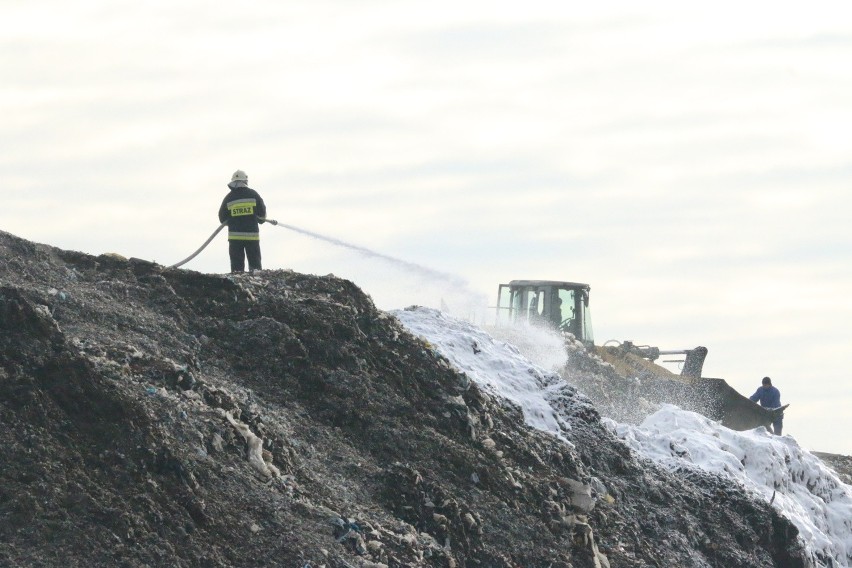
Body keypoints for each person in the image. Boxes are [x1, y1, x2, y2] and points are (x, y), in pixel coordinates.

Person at [218, 170, 268, 273]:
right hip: (252, 237)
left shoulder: (229, 198)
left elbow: (222, 218)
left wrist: (232, 220)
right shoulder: (253, 194)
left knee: (237, 270)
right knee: (255, 268)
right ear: (245, 181)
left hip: (235, 239)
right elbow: (262, 216)